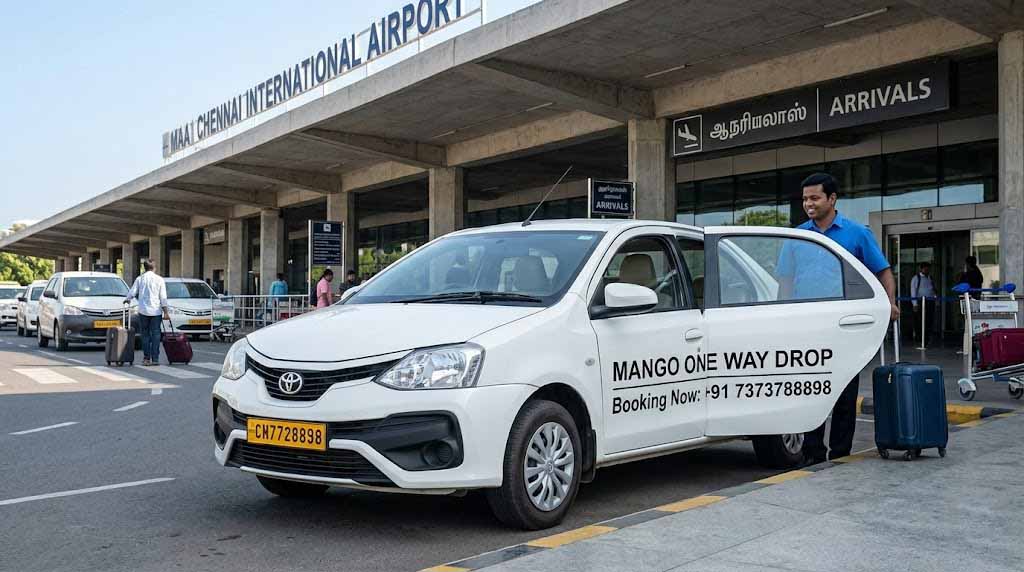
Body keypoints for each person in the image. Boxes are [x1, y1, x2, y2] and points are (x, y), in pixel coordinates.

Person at [791, 173, 899, 465]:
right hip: (807, 325)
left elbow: (883, 271)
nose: (808, 204)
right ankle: (812, 454)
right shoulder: (798, 235)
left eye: (814, 198)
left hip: (845, 326)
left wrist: (890, 303)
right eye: (805, 199)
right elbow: (785, 281)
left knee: (844, 393)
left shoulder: (857, 234)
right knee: (809, 390)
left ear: (832, 199)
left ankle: (840, 454)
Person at [125, 259, 170, 367]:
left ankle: (146, 358)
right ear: (154, 267)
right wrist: (166, 312)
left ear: (144, 268)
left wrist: (127, 299)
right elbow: (163, 298)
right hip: (156, 312)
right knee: (155, 335)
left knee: (145, 335)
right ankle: (155, 358)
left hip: (143, 311)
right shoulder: (159, 279)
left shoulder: (140, 279)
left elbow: (132, 292)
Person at [909, 262, 937, 344]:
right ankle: (919, 338)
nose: (927, 270)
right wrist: (914, 304)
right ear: (921, 269)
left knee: (929, 320)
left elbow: (933, 289)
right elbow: (913, 290)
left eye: (928, 268)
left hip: (930, 301)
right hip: (920, 302)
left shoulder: (930, 278)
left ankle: (927, 337)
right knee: (919, 321)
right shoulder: (916, 278)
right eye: (925, 268)